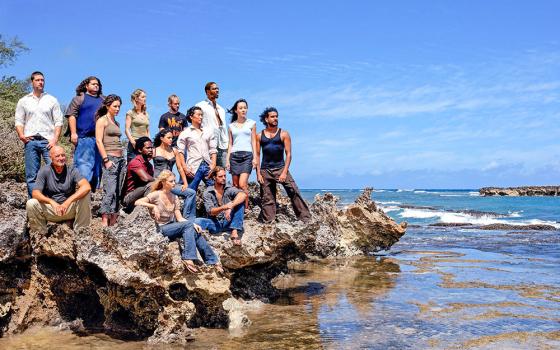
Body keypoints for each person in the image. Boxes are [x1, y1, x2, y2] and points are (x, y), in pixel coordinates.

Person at [135, 170, 221, 273]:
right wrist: (153, 206)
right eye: (171, 181)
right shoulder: (156, 195)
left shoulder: (174, 197)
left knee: (194, 229)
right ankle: (188, 258)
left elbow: (179, 218)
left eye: (174, 181)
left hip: (172, 227)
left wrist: (193, 224)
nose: (174, 183)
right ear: (163, 182)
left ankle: (212, 260)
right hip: (160, 229)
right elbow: (138, 202)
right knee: (189, 225)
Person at [256, 107, 311, 223]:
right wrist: (258, 173)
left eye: (276, 116)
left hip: (280, 168)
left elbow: (289, 154)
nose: (275, 118)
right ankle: (269, 222)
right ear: (266, 119)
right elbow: (257, 155)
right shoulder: (259, 135)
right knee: (267, 198)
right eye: (272, 116)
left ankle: (306, 219)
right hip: (265, 170)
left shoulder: (284, 134)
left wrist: (285, 172)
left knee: (294, 191)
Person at [15, 71, 64, 197]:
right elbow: (19, 120)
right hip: (30, 141)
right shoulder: (23, 101)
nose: (41, 82)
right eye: (37, 80)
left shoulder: (52, 100)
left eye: (42, 80)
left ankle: (53, 202)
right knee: (32, 175)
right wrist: (21, 135)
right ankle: (35, 203)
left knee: (55, 171)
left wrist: (54, 139)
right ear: (32, 82)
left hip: (48, 141)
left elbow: (59, 121)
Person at [26, 146, 91, 233]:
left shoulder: (72, 170)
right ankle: (40, 235)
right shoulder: (44, 171)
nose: (61, 158)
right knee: (31, 203)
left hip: (69, 209)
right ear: (51, 157)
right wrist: (52, 202)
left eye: (63, 155)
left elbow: (86, 186)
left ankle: (81, 232)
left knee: (85, 194)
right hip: (52, 210)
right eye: (57, 156)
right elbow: (35, 193)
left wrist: (67, 203)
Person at [65, 76, 104, 189]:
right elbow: (72, 116)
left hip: (100, 140)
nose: (96, 85)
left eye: (97, 84)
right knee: (84, 167)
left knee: (97, 168)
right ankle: (81, 191)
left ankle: (93, 195)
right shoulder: (79, 98)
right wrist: (73, 133)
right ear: (86, 86)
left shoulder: (103, 100)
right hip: (84, 138)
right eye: (93, 84)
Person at [95, 94, 126, 227]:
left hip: (120, 159)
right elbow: (98, 140)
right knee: (110, 190)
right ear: (108, 106)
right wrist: (106, 159)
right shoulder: (102, 120)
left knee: (118, 190)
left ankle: (113, 220)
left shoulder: (117, 122)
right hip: (110, 158)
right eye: (115, 106)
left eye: (119, 106)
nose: (118, 109)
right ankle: (104, 220)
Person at [199, 167, 246, 246]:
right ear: (214, 177)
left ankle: (234, 232)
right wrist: (224, 207)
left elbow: (243, 194)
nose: (224, 178)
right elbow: (211, 211)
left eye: (225, 176)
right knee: (197, 221)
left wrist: (231, 206)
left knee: (240, 203)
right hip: (214, 224)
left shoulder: (228, 188)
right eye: (221, 176)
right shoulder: (208, 192)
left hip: (228, 222)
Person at [226, 99, 257, 211]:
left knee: (243, 184)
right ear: (236, 110)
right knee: (235, 185)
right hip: (234, 156)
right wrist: (227, 160)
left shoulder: (252, 123)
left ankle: (246, 208)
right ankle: (237, 207)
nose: (243, 110)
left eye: (245, 107)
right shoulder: (231, 126)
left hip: (247, 156)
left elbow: (254, 141)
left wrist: (255, 158)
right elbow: (230, 143)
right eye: (241, 108)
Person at [177, 106, 216, 191]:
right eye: (198, 115)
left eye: (202, 115)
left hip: (207, 165)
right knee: (191, 192)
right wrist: (185, 167)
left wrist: (213, 164)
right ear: (191, 117)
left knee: (215, 190)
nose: (201, 117)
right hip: (193, 167)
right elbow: (180, 152)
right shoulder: (185, 133)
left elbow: (213, 149)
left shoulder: (208, 131)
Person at [196, 82, 228, 167]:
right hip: (208, 144)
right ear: (207, 91)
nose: (217, 90)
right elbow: (195, 124)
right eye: (214, 89)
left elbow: (223, 127)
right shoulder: (201, 106)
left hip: (222, 144)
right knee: (209, 170)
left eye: (217, 89)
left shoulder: (221, 109)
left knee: (221, 172)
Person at [122, 136, 154, 210]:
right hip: (129, 198)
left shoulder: (149, 165)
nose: (151, 150)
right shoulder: (135, 162)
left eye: (151, 148)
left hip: (141, 194)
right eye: (148, 148)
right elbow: (146, 179)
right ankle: (145, 209)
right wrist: (160, 180)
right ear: (140, 150)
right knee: (151, 185)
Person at [125, 89, 150, 163]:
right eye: (142, 97)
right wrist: (133, 142)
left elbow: (148, 130)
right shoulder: (130, 113)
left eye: (145, 97)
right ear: (136, 98)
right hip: (135, 142)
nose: (145, 99)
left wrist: (149, 143)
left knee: (144, 167)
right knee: (133, 167)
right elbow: (126, 129)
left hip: (145, 144)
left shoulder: (146, 114)